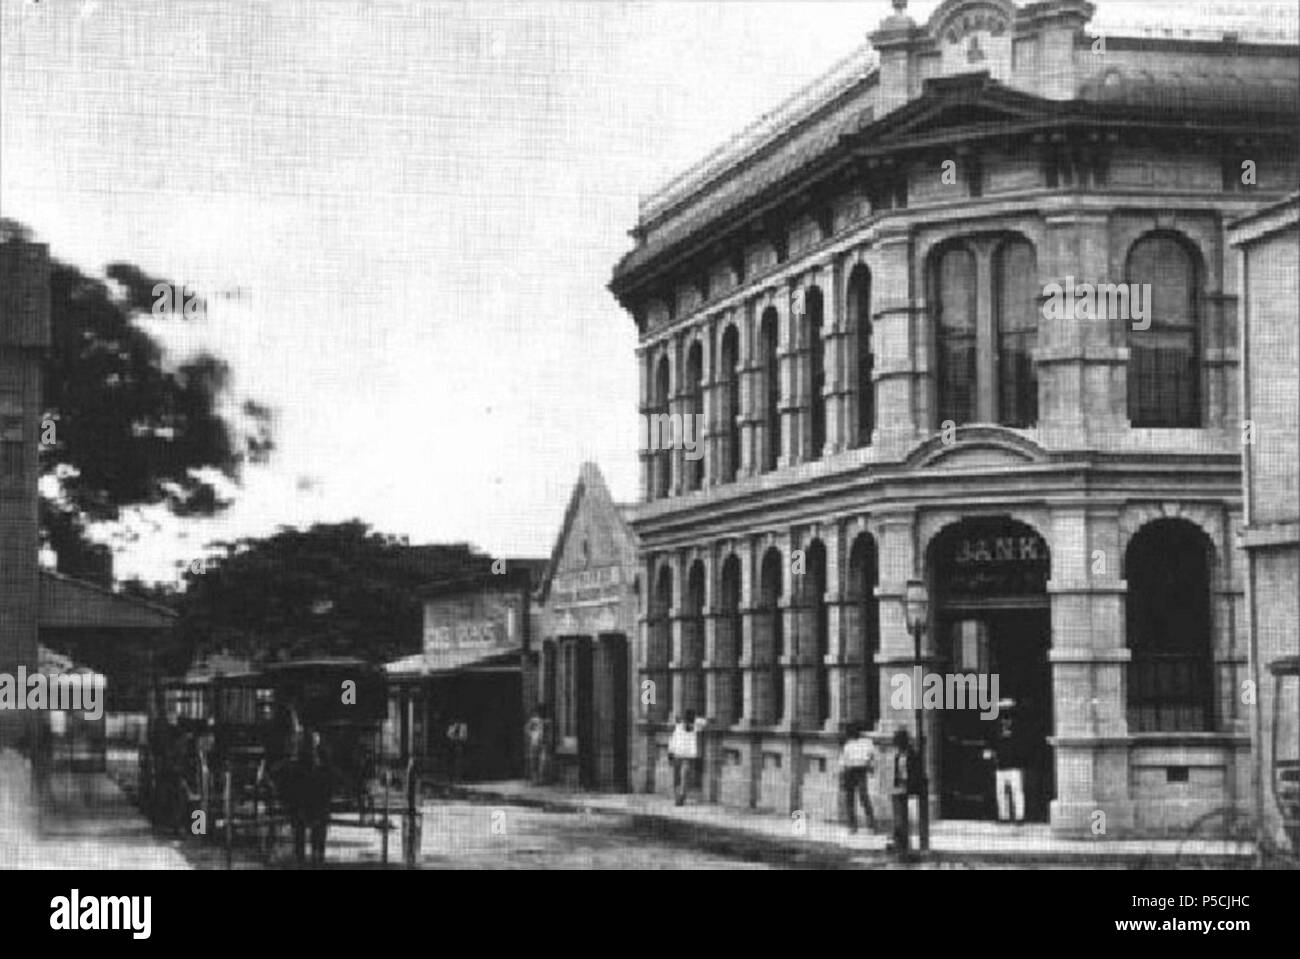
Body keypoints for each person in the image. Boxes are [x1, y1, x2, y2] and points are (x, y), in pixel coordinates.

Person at [839, 722, 877, 834]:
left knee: (863, 797)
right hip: (851, 771)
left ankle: (870, 824)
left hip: (860, 770)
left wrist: (870, 766)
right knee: (851, 799)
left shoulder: (866, 742)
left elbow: (872, 756)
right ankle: (853, 825)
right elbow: (843, 762)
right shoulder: (848, 744)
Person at [992, 698, 1025, 824]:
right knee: (1002, 792)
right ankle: (1004, 816)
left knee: (1016, 791)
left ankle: (1018, 816)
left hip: (1014, 764)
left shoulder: (1017, 725)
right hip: (1001, 764)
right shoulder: (997, 726)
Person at [890, 728, 920, 859]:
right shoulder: (898, 756)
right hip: (900, 788)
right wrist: (896, 786)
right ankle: (901, 846)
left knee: (907, 820)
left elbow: (916, 772)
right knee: (899, 819)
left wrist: (911, 787)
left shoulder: (912, 754)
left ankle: (906, 848)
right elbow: (897, 774)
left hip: (910, 788)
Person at [668, 710, 701, 806]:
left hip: (687, 756)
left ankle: (681, 797)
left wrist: (694, 720)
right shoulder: (679, 727)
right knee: (677, 777)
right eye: (686, 720)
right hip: (677, 754)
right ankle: (677, 797)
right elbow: (673, 740)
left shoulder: (695, 727)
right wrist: (670, 752)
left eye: (689, 721)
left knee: (684, 777)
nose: (687, 723)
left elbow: (704, 721)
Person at [445, 718, 469, 784]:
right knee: (452, 763)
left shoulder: (463, 726)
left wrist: (456, 738)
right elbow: (449, 736)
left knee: (459, 763)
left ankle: (459, 778)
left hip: (459, 747)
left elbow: (464, 737)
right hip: (452, 748)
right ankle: (451, 778)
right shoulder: (452, 726)